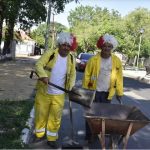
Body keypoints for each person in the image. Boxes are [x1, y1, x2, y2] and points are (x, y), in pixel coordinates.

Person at [34, 32, 78, 148]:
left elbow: (73, 74)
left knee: (56, 117)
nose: (66, 48)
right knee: (41, 114)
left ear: (71, 47)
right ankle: (39, 135)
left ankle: (52, 138)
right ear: (59, 44)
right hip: (44, 91)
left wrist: (71, 87)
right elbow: (38, 65)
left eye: (68, 46)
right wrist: (43, 76)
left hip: (60, 93)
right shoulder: (50, 54)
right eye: (64, 45)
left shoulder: (72, 59)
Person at [82, 33, 123, 141]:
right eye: (105, 45)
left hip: (107, 93)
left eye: (109, 46)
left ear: (112, 48)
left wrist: (119, 92)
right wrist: (86, 89)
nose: (107, 48)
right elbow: (87, 75)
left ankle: (98, 134)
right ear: (101, 46)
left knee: (103, 116)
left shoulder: (116, 61)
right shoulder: (93, 60)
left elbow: (119, 78)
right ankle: (90, 134)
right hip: (93, 91)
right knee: (91, 115)